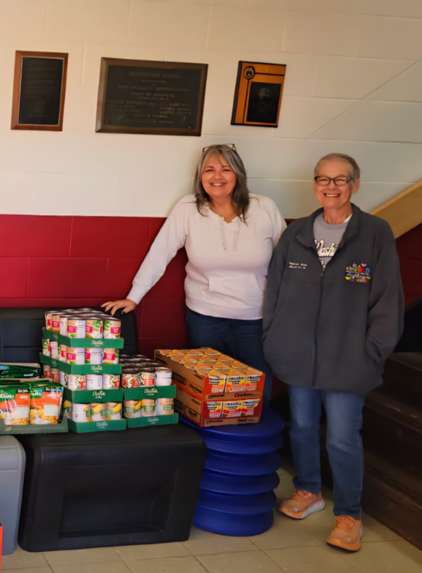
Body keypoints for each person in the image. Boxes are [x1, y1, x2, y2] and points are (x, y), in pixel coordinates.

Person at [264, 153, 403, 552]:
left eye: (340, 179)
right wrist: (274, 336)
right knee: (302, 426)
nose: (331, 186)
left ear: (355, 185)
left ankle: (349, 514)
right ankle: (308, 490)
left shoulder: (375, 232)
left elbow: (388, 300)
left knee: (343, 437)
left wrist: (373, 352)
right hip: (298, 354)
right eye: (323, 179)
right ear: (315, 185)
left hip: (349, 358)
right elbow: (274, 288)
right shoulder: (298, 232)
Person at [103, 144, 286, 401]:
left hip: (255, 317)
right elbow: (160, 254)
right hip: (206, 317)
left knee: (257, 388)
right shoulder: (188, 208)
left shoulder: (264, 207)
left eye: (225, 169)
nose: (217, 176)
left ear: (239, 174)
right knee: (209, 392)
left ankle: (253, 439)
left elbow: (287, 262)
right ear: (200, 176)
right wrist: (134, 297)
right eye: (209, 169)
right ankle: (212, 442)